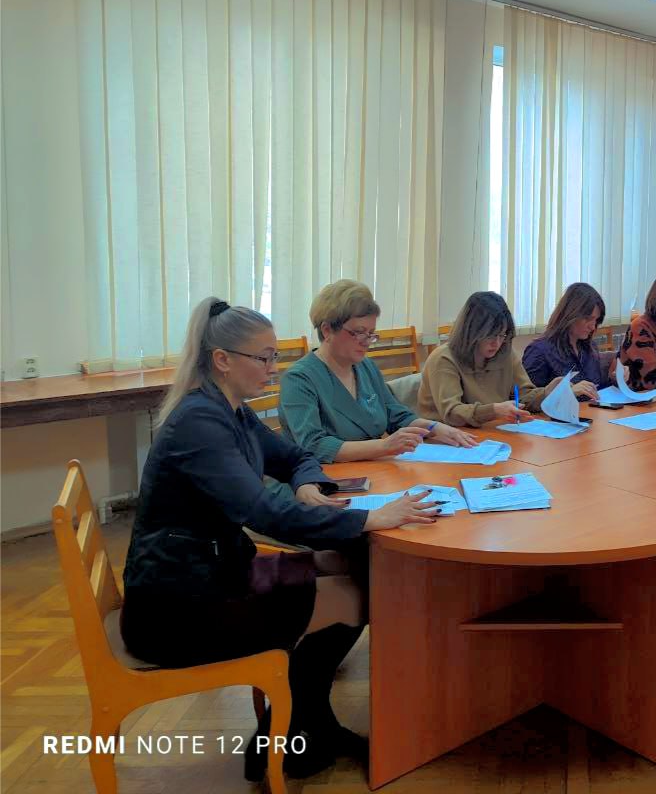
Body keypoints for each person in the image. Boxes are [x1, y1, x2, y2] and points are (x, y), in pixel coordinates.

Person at [120, 298, 441, 780]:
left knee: (354, 569)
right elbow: (261, 511)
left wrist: (307, 484)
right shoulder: (200, 422)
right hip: (176, 606)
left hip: (210, 570)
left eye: (275, 356)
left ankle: (302, 726)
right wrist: (367, 520)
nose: (274, 367)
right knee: (357, 588)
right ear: (223, 360)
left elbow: (293, 456)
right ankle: (288, 735)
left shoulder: (228, 408)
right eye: (264, 357)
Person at [280, 280, 476, 462]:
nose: (366, 342)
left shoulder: (365, 367)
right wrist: (384, 446)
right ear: (327, 330)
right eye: (358, 332)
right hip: (328, 478)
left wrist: (435, 428)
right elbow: (314, 445)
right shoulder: (299, 379)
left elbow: (396, 415)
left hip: (374, 468)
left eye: (371, 334)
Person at [418, 291, 563, 427]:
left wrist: (546, 393)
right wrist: (494, 410)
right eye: (491, 335)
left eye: (502, 335)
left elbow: (523, 397)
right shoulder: (444, 358)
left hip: (492, 432)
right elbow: (452, 413)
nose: (497, 343)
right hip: (446, 439)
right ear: (472, 332)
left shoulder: (505, 353)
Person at [521, 282, 615, 400]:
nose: (593, 327)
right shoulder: (539, 351)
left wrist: (614, 380)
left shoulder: (589, 348)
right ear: (571, 315)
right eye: (588, 319)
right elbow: (524, 400)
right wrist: (566, 392)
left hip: (591, 415)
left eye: (596, 320)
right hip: (556, 417)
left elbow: (595, 391)